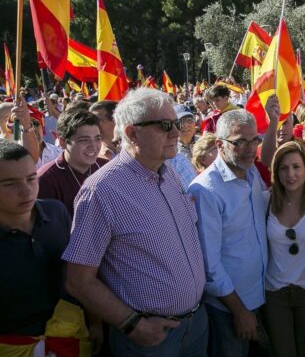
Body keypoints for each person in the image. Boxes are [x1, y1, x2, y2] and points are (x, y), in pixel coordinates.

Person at [62, 88, 208, 356]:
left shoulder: (170, 172)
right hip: (150, 338)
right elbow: (79, 281)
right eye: (165, 126)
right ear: (131, 133)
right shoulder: (102, 191)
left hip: (195, 324)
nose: (176, 132)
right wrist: (132, 324)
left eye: (175, 123)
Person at [188, 98, 280, 357]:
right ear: (219, 144)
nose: (250, 149)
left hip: (257, 297)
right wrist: (239, 311)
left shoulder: (251, 174)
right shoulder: (206, 191)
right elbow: (209, 265)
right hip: (229, 309)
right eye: (240, 142)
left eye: (254, 140)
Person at [0, 140, 71, 337]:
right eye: (10, 184)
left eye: (31, 179)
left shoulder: (56, 212)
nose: (26, 190)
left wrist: (93, 322)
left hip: (67, 333)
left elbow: (74, 274)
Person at [261, 141, 305, 357]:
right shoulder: (265, 200)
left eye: (296, 167)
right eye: (284, 168)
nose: (291, 174)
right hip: (274, 293)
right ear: (276, 172)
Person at [37, 108, 106, 216]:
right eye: (84, 140)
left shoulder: (107, 168)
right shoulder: (46, 179)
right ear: (63, 142)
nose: (93, 146)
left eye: (97, 138)